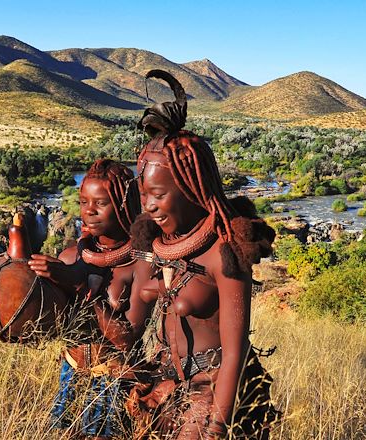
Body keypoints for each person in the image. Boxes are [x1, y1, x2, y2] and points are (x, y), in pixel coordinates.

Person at [126, 70, 279, 439]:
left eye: (158, 195)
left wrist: (215, 426)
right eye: (143, 194)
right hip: (164, 386)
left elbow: (235, 352)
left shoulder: (223, 251)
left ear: (192, 187)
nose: (149, 205)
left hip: (211, 392)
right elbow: (131, 323)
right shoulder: (154, 246)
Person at [28, 159, 152, 439]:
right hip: (71, 372)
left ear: (123, 205)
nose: (89, 211)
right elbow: (47, 322)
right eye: (84, 201)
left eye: (100, 203)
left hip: (115, 380)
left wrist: (80, 287)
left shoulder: (140, 264)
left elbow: (126, 338)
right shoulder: (70, 256)